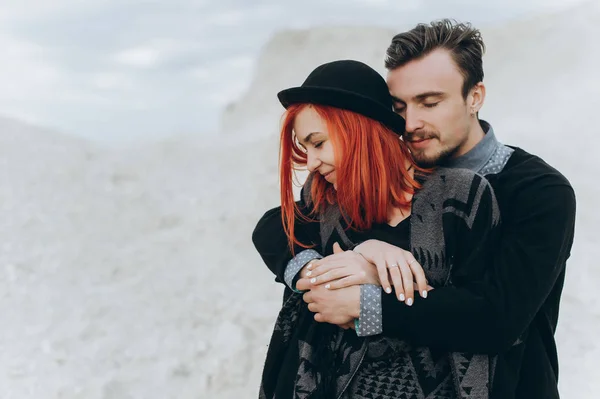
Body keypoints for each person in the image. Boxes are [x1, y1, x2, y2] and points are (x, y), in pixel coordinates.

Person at [254, 20, 576, 399]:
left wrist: (367, 296)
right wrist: (358, 255)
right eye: (398, 106)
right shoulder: (383, 181)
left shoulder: (537, 191)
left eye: (430, 102)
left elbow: (496, 318)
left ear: (475, 97)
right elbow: (277, 226)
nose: (410, 123)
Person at [253, 59, 501, 398]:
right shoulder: (325, 197)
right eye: (305, 148)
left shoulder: (460, 198)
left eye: (318, 143)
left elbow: (483, 314)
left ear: (359, 130)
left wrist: (368, 298)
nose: (310, 162)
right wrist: (326, 271)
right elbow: (271, 228)